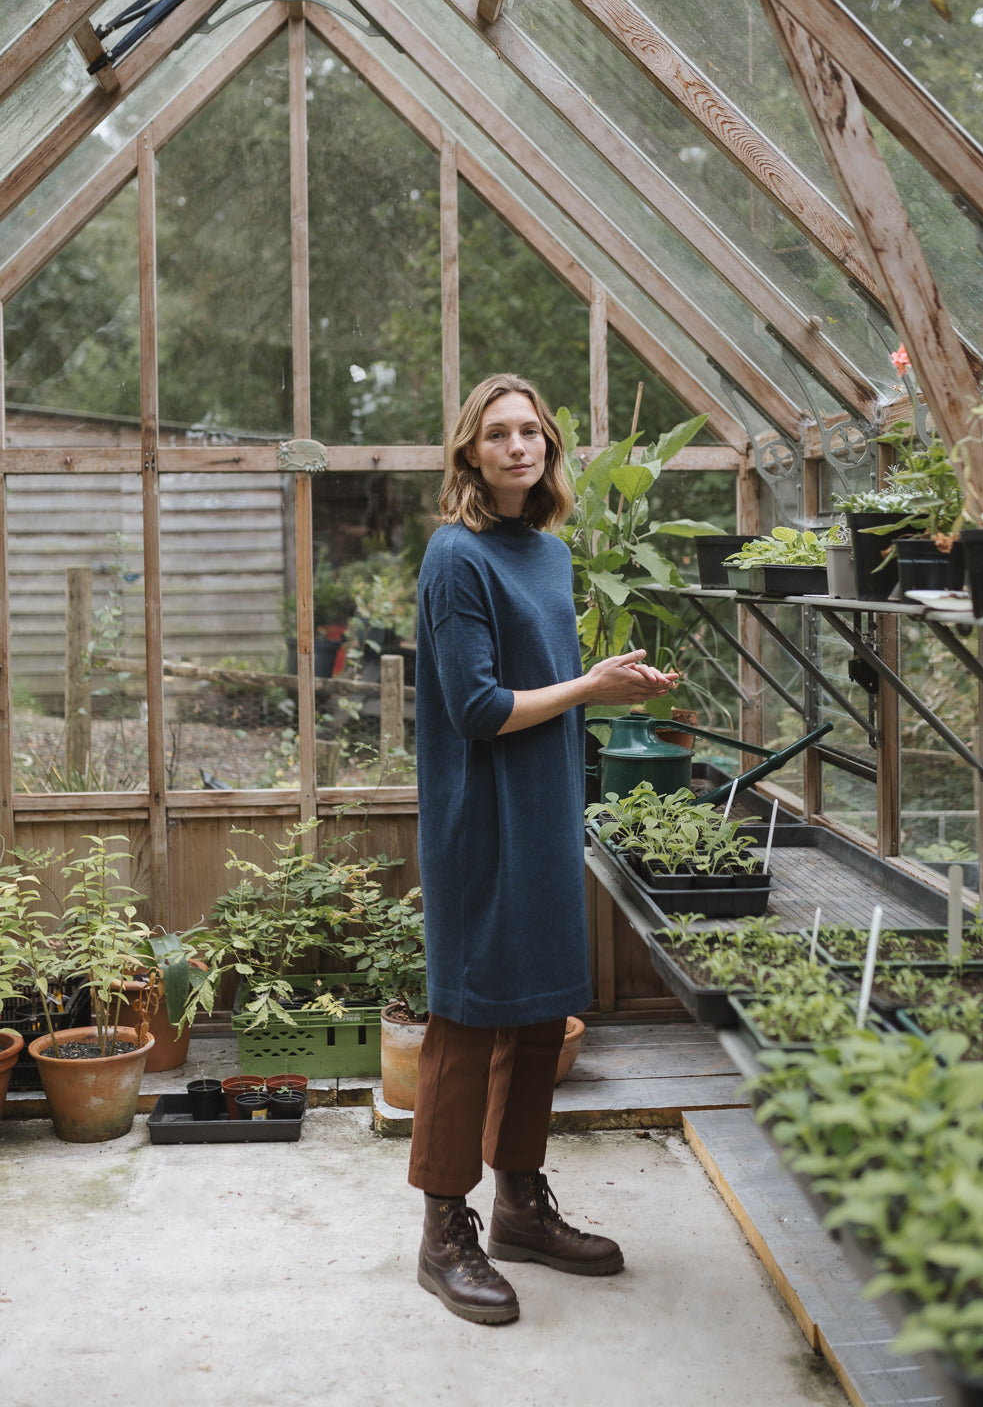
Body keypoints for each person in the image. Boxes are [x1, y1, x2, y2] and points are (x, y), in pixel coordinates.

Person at [409, 372, 679, 1325]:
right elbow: (478, 711)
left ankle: (520, 1205)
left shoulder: (550, 554)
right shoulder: (456, 557)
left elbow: (546, 684)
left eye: (533, 432)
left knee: (537, 1013)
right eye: (499, 434)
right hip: (480, 818)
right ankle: (445, 1233)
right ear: (470, 453)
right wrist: (589, 688)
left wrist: (607, 685)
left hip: (544, 806)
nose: (520, 446)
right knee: (469, 1017)